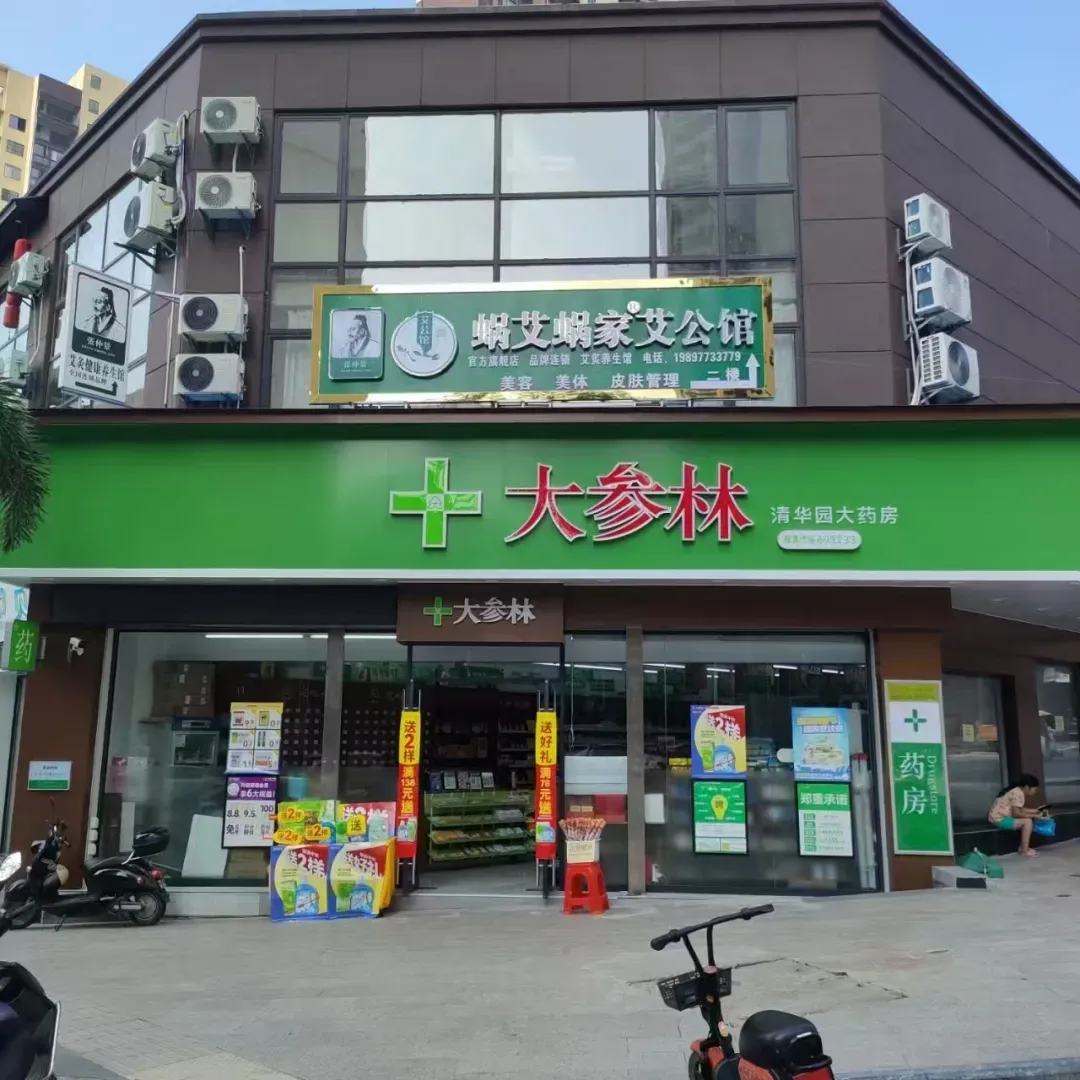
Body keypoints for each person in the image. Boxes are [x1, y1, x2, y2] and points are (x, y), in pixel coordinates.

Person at [988, 774, 1044, 857]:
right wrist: (1036, 816)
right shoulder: (1018, 793)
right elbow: (1016, 814)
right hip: (999, 820)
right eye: (1034, 789)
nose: (1035, 792)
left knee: (1028, 819)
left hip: (997, 817)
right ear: (1027, 787)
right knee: (1027, 822)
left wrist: (1037, 811)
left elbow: (1019, 809)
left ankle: (1023, 848)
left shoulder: (1017, 791)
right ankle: (1024, 851)